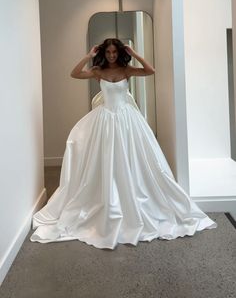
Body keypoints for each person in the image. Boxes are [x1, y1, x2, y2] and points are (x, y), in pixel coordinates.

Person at [30, 38, 217, 248]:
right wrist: (88, 56)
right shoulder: (98, 71)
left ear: (119, 53)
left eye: (114, 52)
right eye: (108, 52)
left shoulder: (127, 70)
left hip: (128, 121)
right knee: (104, 160)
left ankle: (133, 198)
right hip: (105, 121)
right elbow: (74, 74)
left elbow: (150, 70)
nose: (111, 56)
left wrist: (134, 53)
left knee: (133, 160)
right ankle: (106, 201)